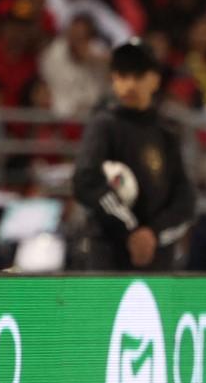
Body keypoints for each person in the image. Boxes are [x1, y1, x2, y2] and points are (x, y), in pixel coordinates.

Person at [72, 39, 195, 271]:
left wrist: (154, 233)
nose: (129, 84)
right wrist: (129, 230)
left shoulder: (166, 132)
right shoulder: (104, 125)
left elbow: (185, 200)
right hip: (109, 253)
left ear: (155, 79)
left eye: (138, 76)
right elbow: (85, 181)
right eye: (122, 75)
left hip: (157, 258)